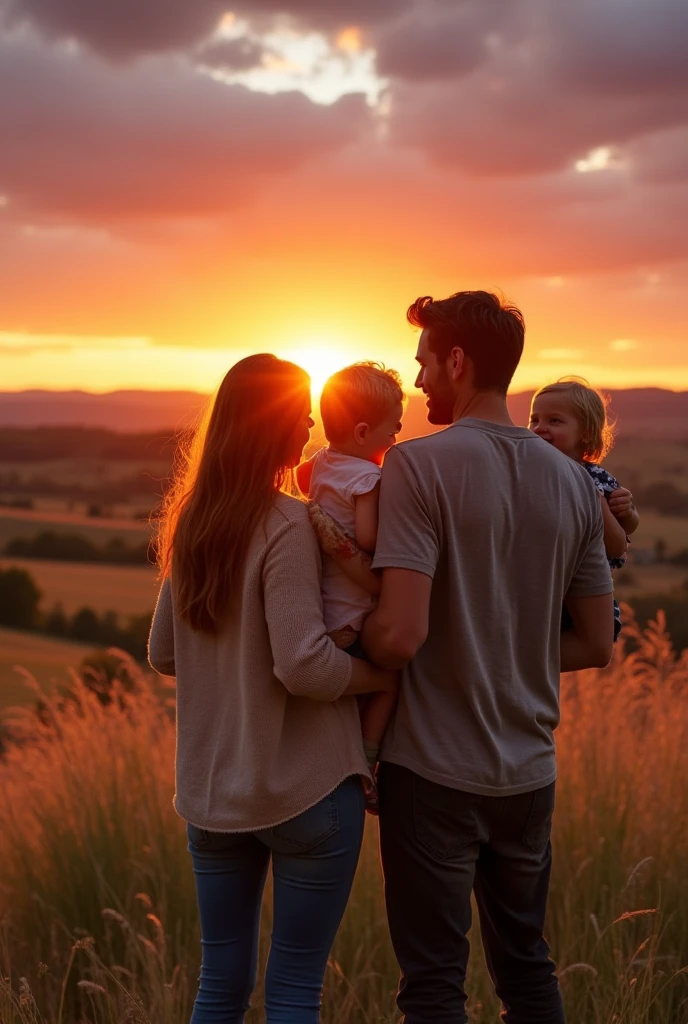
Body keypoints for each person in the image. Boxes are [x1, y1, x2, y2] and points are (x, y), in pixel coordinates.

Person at [361, 291, 615, 1024]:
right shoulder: (575, 482)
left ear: (458, 360)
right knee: (529, 973)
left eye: (424, 364)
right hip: (529, 771)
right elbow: (596, 643)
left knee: (435, 988)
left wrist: (342, 646)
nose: (417, 384)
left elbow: (399, 637)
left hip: (432, 772)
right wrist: (507, 652)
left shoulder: (416, 466)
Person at [148, 353, 394, 1024]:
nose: (313, 424)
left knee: (219, 987)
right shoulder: (288, 523)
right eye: (302, 413)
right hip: (307, 789)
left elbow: (164, 653)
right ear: (275, 426)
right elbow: (306, 667)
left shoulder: (192, 521)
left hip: (212, 796)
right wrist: (385, 674)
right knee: (291, 993)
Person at [297, 362, 404, 781]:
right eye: (392, 430)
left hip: (326, 612)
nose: (395, 439)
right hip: (355, 620)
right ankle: (367, 756)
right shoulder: (369, 477)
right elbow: (370, 537)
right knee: (388, 685)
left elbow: (304, 484)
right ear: (362, 433)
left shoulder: (320, 461)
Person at [529, 377, 640, 640]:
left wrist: (627, 512)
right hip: (536, 591)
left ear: (586, 433)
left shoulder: (597, 480)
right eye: (534, 420)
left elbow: (619, 542)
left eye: (554, 421)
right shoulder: (526, 475)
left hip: (582, 594)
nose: (540, 428)